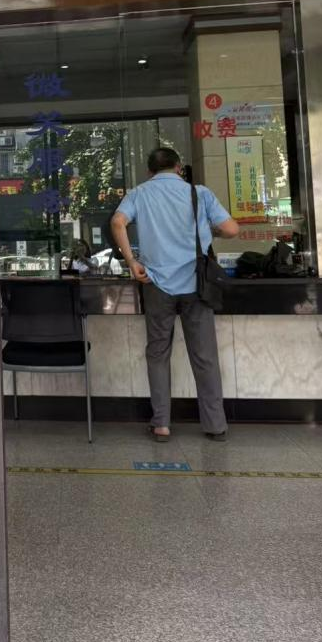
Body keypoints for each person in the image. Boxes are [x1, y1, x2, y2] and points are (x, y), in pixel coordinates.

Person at [110, 147, 239, 443]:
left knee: (157, 353)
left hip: (156, 283)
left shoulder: (139, 193)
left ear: (149, 171)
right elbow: (232, 229)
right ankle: (215, 425)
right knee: (204, 356)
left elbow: (117, 222)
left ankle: (161, 424)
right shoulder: (199, 193)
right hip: (196, 284)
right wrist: (211, 232)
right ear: (179, 168)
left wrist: (132, 262)